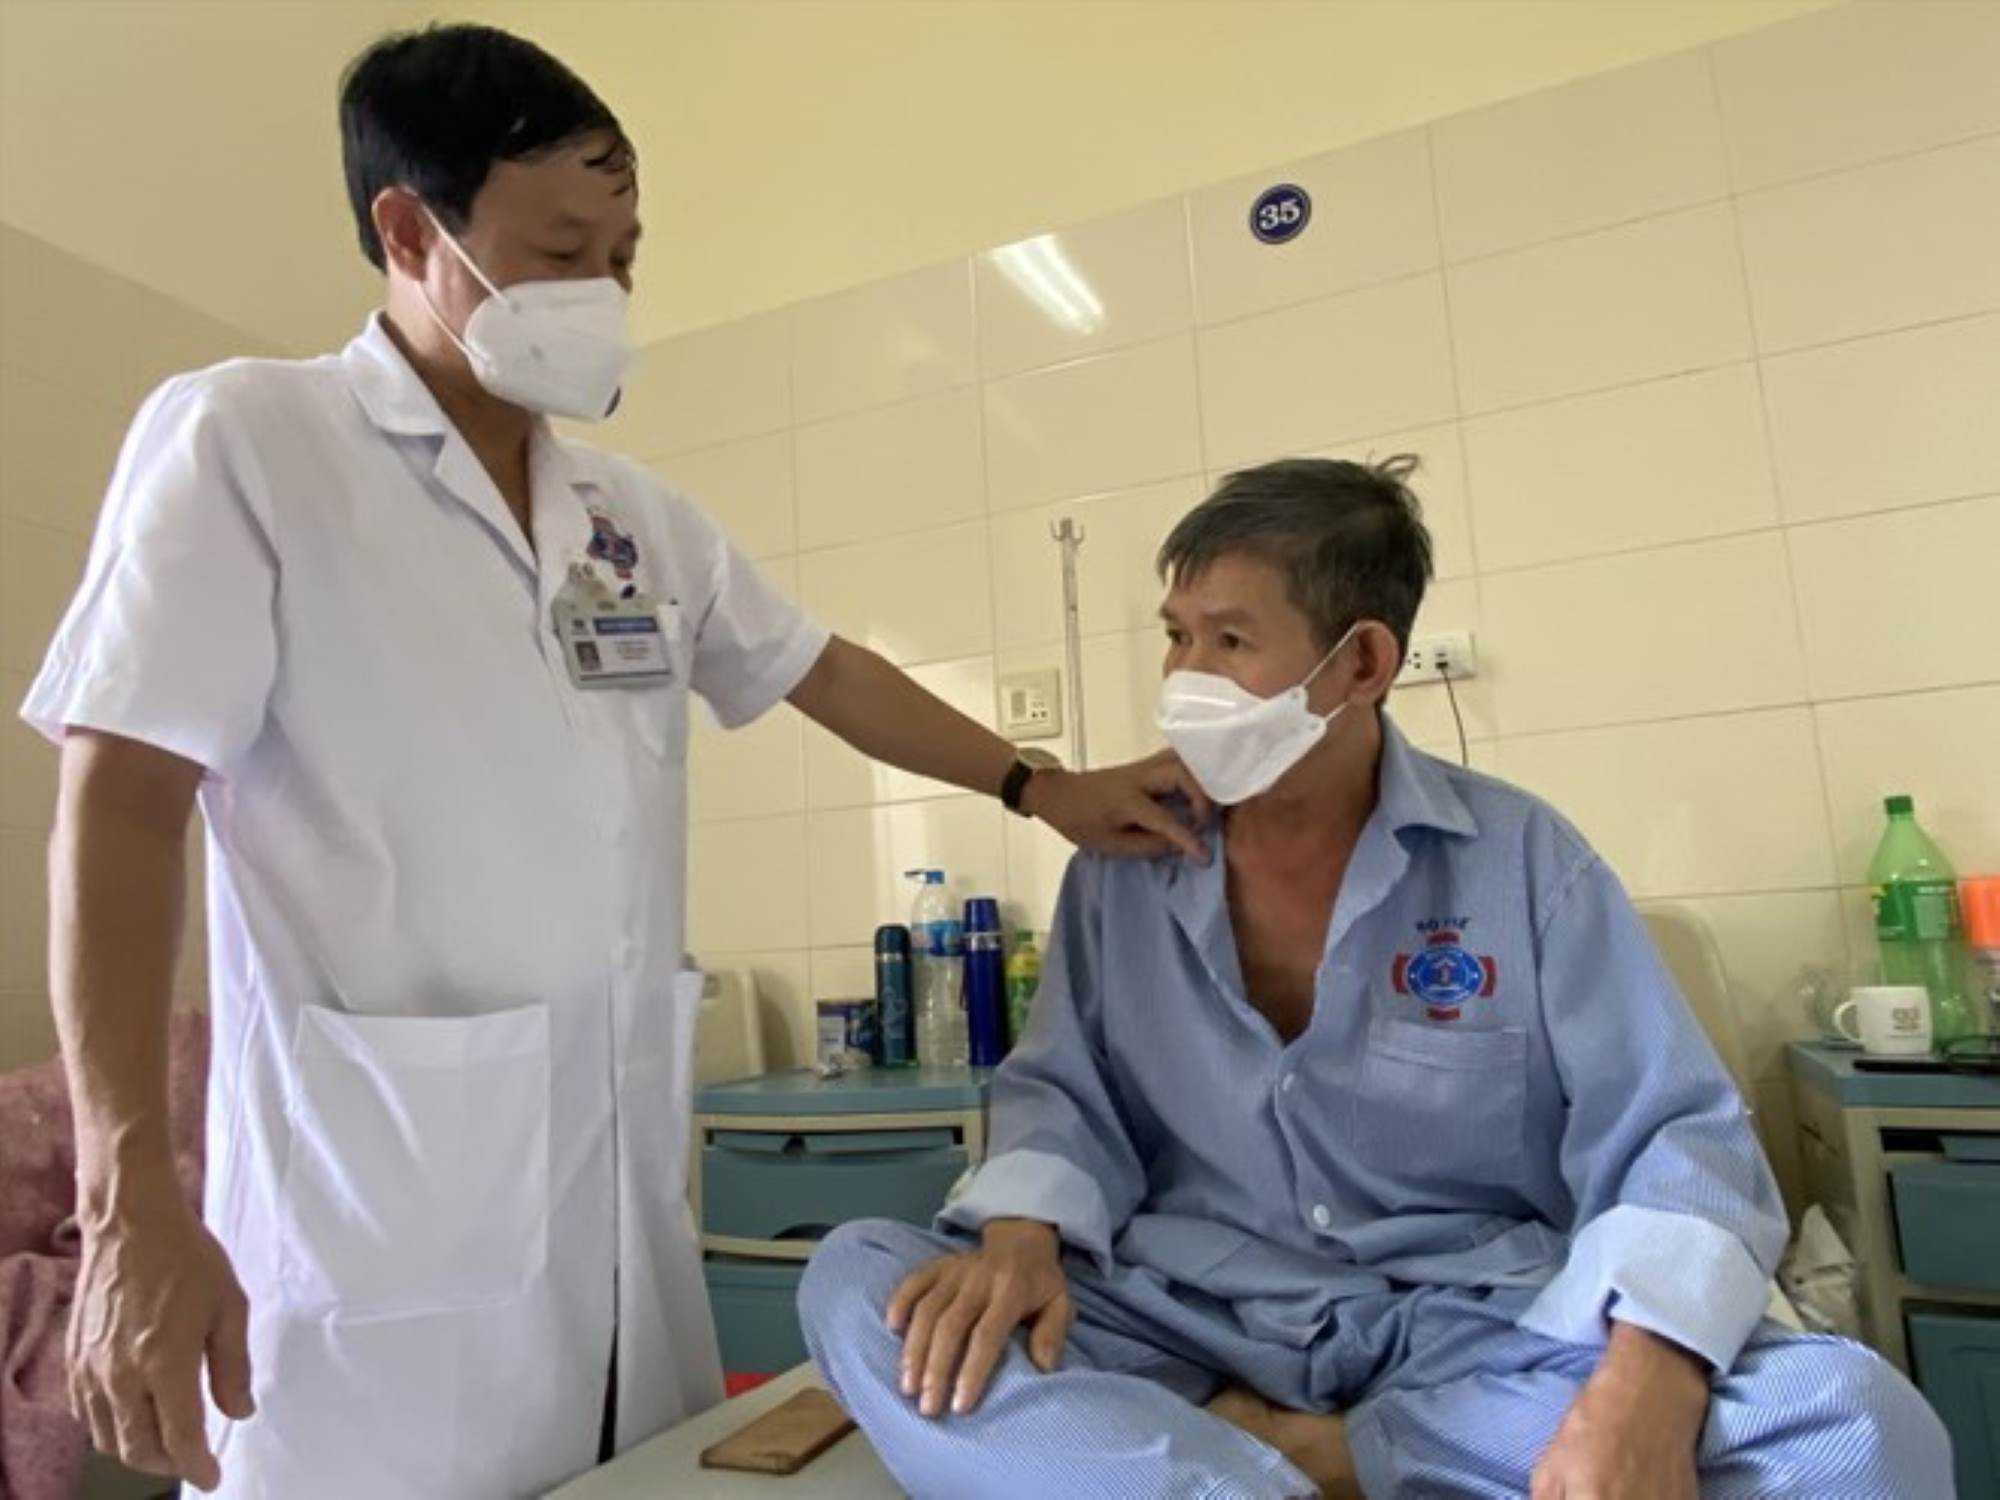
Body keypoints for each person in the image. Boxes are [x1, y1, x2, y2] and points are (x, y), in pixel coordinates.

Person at [22, 24, 1210, 1500]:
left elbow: (821, 669)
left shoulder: (627, 514)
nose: (606, 291)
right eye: (563, 247)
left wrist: (1039, 787)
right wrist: (127, 1185)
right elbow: (119, 804)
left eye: (626, 254)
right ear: (410, 229)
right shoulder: (251, 441)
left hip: (617, 1232)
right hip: (377, 1229)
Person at [800, 457, 1953, 1498]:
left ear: (1358, 661)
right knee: (856, 1281)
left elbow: (1673, 1138)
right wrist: (1020, 1235)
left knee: (1854, 1430)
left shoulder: (1523, 863)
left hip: (1470, 1331)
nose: (1183, 679)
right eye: (1174, 636)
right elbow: (1064, 1098)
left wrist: (1647, 1377)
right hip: (1182, 1321)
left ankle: (1297, 1457)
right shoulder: (1124, 869)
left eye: (1230, 641)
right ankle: (1262, 1479)